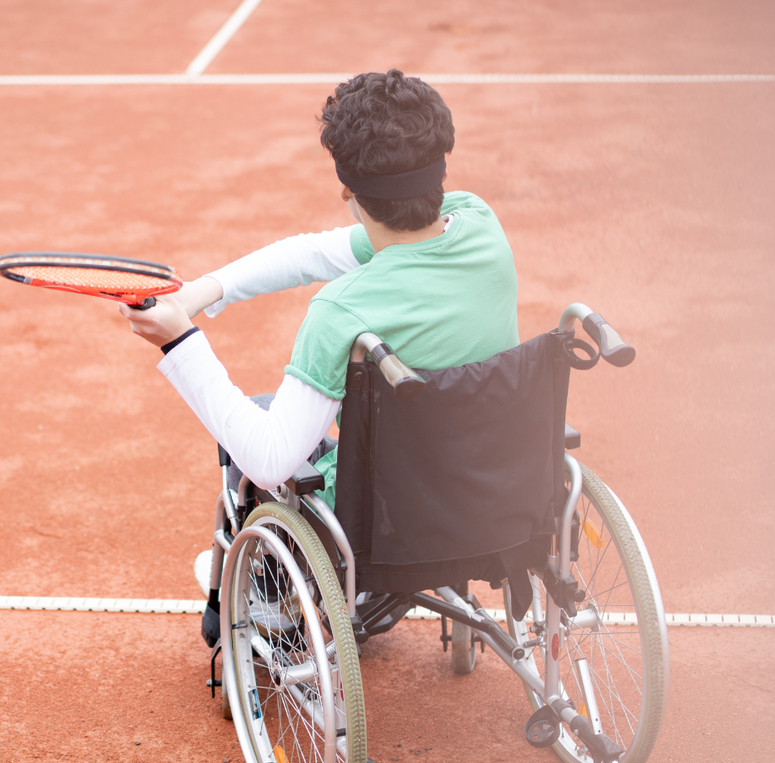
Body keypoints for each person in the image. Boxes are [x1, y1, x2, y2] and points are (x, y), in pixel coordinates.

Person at [118, 69, 521, 639]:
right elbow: (311, 254)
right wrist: (202, 292)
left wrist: (178, 339)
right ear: (441, 169)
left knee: (260, 426)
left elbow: (269, 460)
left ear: (348, 193)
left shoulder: (341, 312)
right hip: (492, 493)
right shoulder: (480, 223)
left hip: (384, 529)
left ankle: (277, 600)